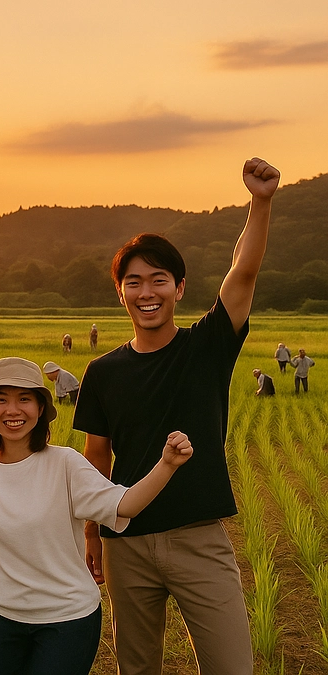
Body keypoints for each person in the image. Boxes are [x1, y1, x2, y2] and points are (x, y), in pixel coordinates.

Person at [74, 157, 279, 675]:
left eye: (158, 280)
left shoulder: (206, 348)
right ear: (120, 292)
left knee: (231, 666)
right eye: (135, 282)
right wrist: (92, 535)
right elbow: (96, 459)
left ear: (179, 288)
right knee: (136, 668)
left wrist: (260, 202)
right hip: (127, 543)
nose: (147, 293)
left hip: (198, 537)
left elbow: (244, 272)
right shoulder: (101, 372)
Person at [0, 357, 193, 675]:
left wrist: (167, 464)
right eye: (1, 399)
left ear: (39, 409)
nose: (12, 410)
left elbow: (125, 505)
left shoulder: (65, 464)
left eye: (24, 399)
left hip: (68, 618)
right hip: (5, 617)